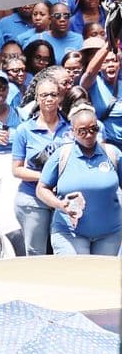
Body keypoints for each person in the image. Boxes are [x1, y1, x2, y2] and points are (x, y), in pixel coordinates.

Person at [36, 103, 122, 256]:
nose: (89, 135)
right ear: (72, 131)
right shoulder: (62, 155)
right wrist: (60, 204)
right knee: (77, 270)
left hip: (110, 233)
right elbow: (41, 189)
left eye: (93, 129)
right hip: (69, 232)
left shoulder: (112, 154)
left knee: (103, 271)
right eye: (82, 131)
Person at [11, 78, 70, 255]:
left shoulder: (70, 128)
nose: (49, 99)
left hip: (64, 198)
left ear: (59, 97)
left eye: (53, 94)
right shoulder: (24, 130)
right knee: (37, 253)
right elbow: (16, 169)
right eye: (44, 95)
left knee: (66, 250)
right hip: (33, 200)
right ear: (37, 98)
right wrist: (45, 178)